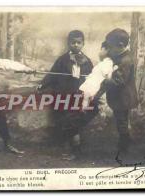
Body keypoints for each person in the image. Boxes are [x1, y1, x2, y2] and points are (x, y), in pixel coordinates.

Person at [37, 30, 94, 160]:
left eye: (78, 42)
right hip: (64, 94)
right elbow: (53, 74)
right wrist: (42, 84)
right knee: (64, 119)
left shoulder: (87, 61)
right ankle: (67, 146)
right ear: (69, 44)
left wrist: (91, 92)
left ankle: (76, 150)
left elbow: (92, 78)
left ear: (83, 44)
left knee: (73, 121)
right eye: (73, 42)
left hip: (79, 95)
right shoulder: (62, 60)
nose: (76, 45)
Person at [100, 28, 138, 153]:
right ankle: (127, 137)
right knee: (122, 119)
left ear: (120, 45)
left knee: (121, 120)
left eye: (111, 47)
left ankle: (124, 144)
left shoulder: (125, 60)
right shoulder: (121, 55)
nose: (109, 50)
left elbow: (119, 81)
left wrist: (105, 79)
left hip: (123, 97)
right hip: (122, 97)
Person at [79, 41, 118, 110]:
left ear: (106, 50)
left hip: (95, 90)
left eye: (101, 49)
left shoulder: (103, 64)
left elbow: (98, 79)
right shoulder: (111, 63)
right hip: (99, 90)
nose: (99, 52)